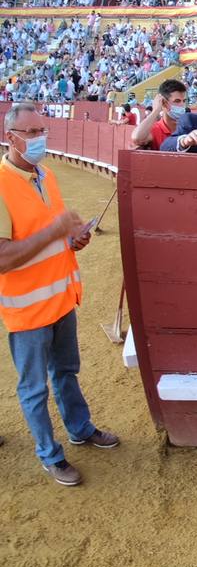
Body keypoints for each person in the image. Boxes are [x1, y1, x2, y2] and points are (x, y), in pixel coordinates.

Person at [0, 102, 119, 485]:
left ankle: (80, 428)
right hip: (28, 310)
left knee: (66, 371)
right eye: (31, 133)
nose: (39, 139)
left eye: (42, 131)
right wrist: (55, 234)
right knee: (34, 387)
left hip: (59, 299)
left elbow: (52, 235)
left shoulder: (45, 175)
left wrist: (73, 239)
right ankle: (49, 455)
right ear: (10, 137)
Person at [130, 78, 188, 150]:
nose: (182, 105)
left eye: (184, 101)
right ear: (163, 103)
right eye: (177, 101)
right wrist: (156, 110)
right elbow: (137, 138)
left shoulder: (188, 126)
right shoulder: (156, 129)